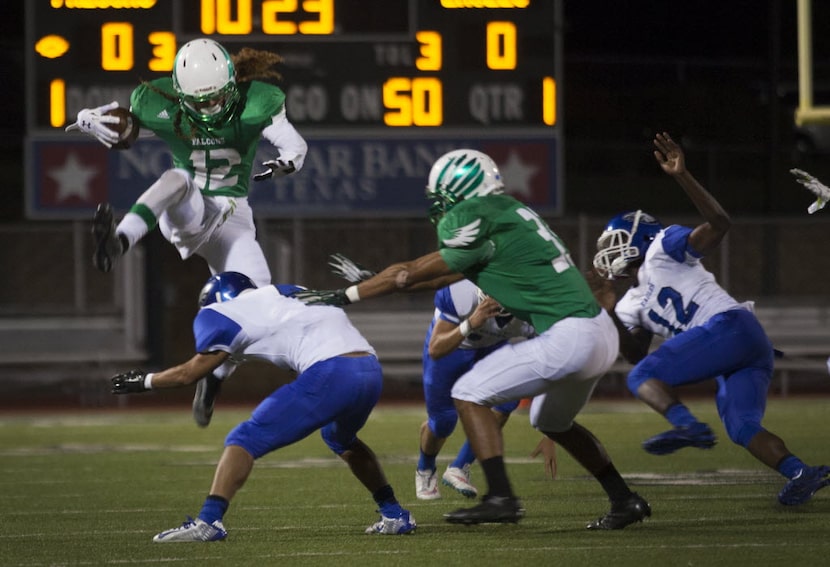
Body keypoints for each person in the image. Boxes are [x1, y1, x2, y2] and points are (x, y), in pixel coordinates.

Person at [296, 149, 651, 529]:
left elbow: (409, 274)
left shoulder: (473, 215)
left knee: (467, 392)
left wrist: (346, 295)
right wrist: (380, 279)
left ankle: (501, 497)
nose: (442, 210)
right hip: (599, 333)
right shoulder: (509, 215)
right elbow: (429, 278)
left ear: (459, 192)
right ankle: (624, 500)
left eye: (444, 200)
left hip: (570, 334)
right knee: (551, 420)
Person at [591, 131, 830, 506]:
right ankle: (800, 473)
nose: (611, 250)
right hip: (742, 343)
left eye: (617, 239)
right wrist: (608, 314)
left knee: (642, 379)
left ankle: (687, 425)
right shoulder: (630, 301)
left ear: (640, 234)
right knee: (741, 426)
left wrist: (682, 176)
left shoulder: (662, 246)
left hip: (728, 327)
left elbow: (719, 223)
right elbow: (636, 354)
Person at [109, 271, 416, 541]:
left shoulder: (219, 312)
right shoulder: (286, 291)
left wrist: (145, 381)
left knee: (243, 439)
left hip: (332, 372)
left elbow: (192, 373)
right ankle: (394, 514)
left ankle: (208, 521)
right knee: (339, 438)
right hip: (370, 369)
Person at [67, 38, 307, 287]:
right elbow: (125, 129)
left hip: (233, 215)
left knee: (260, 297)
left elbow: (293, 144)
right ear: (180, 96)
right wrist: (87, 119)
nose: (210, 108)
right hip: (190, 207)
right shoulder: (161, 105)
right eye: (200, 102)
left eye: (217, 97)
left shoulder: (255, 102)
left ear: (232, 85)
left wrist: (289, 160)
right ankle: (121, 239)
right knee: (179, 178)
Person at [328, 254, 549, 500]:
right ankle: (425, 467)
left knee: (506, 401)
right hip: (454, 345)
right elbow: (437, 348)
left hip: (493, 346)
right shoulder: (460, 293)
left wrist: (548, 431)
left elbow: (547, 365)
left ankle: (459, 467)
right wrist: (471, 323)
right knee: (443, 422)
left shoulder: (533, 309)